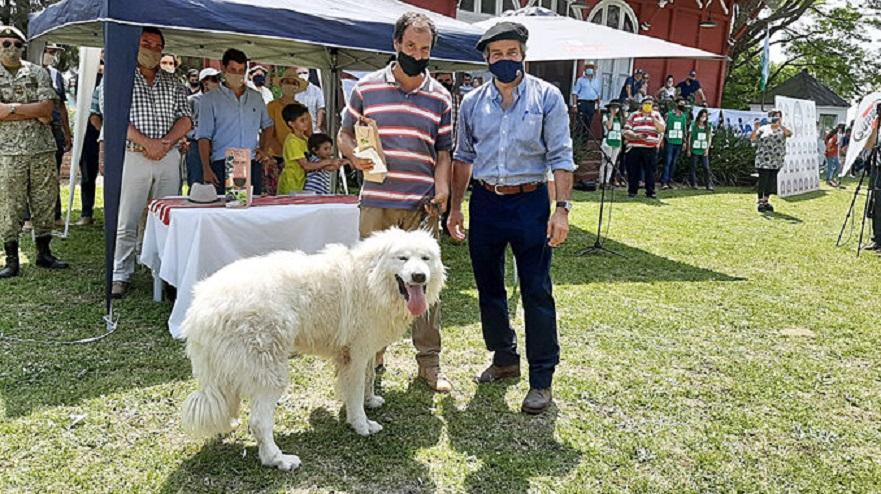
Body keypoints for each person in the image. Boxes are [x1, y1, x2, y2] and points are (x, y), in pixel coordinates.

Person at [448, 22, 575, 415]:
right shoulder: (471, 103)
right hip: (486, 202)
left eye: (511, 52)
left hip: (529, 202)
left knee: (536, 290)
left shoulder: (547, 98)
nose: (505, 59)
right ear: (487, 59)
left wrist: (562, 210)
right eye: (496, 54)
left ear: (523, 54)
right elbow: (462, 158)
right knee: (489, 287)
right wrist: (455, 207)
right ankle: (503, 358)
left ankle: (541, 379)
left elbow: (561, 158)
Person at [338, 11, 454, 394]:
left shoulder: (441, 97)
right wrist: (355, 156)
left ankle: (428, 362)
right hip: (377, 203)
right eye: (410, 46)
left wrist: (442, 190)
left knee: (427, 285)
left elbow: (443, 153)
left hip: (421, 208)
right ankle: (373, 354)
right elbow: (343, 135)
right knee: (371, 285)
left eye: (424, 49)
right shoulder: (366, 89)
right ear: (395, 44)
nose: (417, 54)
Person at [111, 28, 192, 298]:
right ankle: (120, 274)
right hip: (135, 155)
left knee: (166, 218)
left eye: (157, 45)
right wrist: (147, 143)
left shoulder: (175, 82)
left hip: (168, 156)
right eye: (146, 43)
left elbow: (186, 119)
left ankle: (164, 273)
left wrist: (165, 143)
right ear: (135, 45)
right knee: (128, 217)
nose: (152, 49)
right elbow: (115, 117)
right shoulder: (118, 76)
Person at [0, 25, 69, 278]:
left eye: (17, 44)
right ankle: (11, 259)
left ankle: (44, 253)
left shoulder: (38, 72)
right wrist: (30, 109)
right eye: (5, 43)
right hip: (7, 153)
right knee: (10, 206)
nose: (11, 48)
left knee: (45, 202)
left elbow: (47, 110)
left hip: (42, 149)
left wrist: (10, 109)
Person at [197, 48, 274, 196]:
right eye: (233, 70)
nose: (237, 74)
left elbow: (268, 126)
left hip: (251, 161)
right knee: (225, 212)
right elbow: (203, 136)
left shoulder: (256, 97)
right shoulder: (209, 100)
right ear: (223, 68)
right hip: (223, 162)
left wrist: (264, 149)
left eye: (241, 70)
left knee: (251, 212)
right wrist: (206, 168)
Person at [41, 43, 72, 227]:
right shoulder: (27, 71)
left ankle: (56, 214)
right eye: (49, 52)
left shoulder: (57, 75)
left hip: (55, 131)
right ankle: (29, 217)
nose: (52, 56)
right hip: (34, 131)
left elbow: (61, 106)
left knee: (54, 173)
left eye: (54, 53)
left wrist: (67, 132)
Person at [265, 67, 308, 195]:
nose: (290, 85)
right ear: (281, 84)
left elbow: (308, 134)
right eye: (287, 82)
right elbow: (269, 132)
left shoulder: (302, 109)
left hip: (298, 157)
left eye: (293, 83)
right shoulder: (272, 106)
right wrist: (284, 154)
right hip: (276, 156)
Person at [751, 108, 793, 213]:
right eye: (774, 116)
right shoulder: (764, 128)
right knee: (763, 180)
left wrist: (781, 125)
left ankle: (766, 200)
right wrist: (755, 129)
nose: (776, 118)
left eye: (779, 116)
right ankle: (760, 201)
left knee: (771, 180)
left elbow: (789, 134)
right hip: (763, 159)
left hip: (776, 159)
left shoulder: (782, 129)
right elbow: (753, 139)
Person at [623, 95, 664, 198]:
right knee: (633, 170)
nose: (648, 105)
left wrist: (654, 120)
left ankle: (650, 192)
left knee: (650, 171)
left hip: (650, 148)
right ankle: (632, 191)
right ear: (641, 104)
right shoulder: (634, 115)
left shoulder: (657, 115)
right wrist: (636, 136)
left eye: (650, 104)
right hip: (635, 146)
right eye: (646, 103)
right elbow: (626, 130)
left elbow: (662, 129)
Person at [184, 68, 220, 188]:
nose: (218, 82)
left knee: (217, 182)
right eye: (214, 80)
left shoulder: (221, 101)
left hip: (217, 145)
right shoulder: (192, 100)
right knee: (197, 182)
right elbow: (185, 124)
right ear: (204, 83)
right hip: (196, 144)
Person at [78, 56, 103, 226]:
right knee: (88, 175)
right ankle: (86, 212)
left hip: (113, 135)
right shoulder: (85, 77)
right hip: (89, 135)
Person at [277, 102, 314, 194]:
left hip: (301, 183)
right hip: (291, 184)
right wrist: (327, 163)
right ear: (291, 124)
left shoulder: (305, 139)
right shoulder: (292, 142)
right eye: (302, 120)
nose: (306, 122)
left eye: (307, 119)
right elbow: (306, 165)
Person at [660, 98, 688, 189]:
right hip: (669, 141)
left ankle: (669, 180)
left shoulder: (683, 116)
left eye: (684, 104)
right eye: (681, 103)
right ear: (676, 104)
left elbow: (684, 130)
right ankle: (664, 181)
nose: (682, 105)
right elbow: (663, 128)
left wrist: (684, 142)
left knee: (674, 162)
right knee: (667, 161)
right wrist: (662, 140)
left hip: (678, 142)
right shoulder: (669, 115)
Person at [571, 61, 601, 139]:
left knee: (588, 124)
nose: (590, 70)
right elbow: (575, 93)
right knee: (580, 124)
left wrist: (598, 106)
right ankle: (577, 143)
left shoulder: (596, 81)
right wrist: (574, 105)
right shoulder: (580, 80)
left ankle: (584, 144)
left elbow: (598, 94)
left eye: (591, 68)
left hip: (591, 104)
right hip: (582, 103)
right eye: (588, 68)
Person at [293, 67, 326, 134]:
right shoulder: (292, 90)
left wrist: (318, 127)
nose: (302, 75)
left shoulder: (316, 90)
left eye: (305, 73)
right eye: (299, 73)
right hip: (296, 129)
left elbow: (320, 109)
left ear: (309, 74)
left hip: (313, 127)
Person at [599, 99, 624, 187]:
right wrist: (612, 116)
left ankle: (607, 180)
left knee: (612, 163)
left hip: (616, 142)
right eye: (613, 107)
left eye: (616, 107)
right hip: (607, 141)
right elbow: (609, 127)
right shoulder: (606, 116)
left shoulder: (619, 119)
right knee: (605, 161)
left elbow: (620, 132)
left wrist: (620, 145)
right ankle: (602, 180)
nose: (615, 109)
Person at [687, 108, 714, 191]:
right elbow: (689, 137)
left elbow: (709, 138)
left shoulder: (708, 126)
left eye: (705, 117)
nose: (703, 118)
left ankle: (708, 184)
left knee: (706, 167)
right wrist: (688, 149)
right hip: (694, 149)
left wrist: (707, 149)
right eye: (702, 116)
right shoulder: (693, 125)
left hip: (703, 149)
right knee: (693, 167)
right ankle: (694, 184)